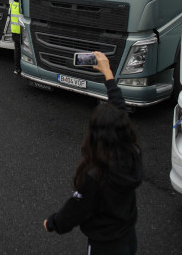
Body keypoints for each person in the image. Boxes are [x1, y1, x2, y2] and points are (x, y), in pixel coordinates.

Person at [44, 52, 142, 255]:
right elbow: (120, 109)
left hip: (105, 246)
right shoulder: (132, 151)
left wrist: (52, 223)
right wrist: (108, 74)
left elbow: (75, 210)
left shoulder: (94, 176)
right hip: (128, 237)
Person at [10, 0, 21, 75]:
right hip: (22, 33)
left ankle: (17, 69)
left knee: (17, 51)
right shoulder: (22, 7)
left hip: (14, 32)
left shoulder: (12, 5)